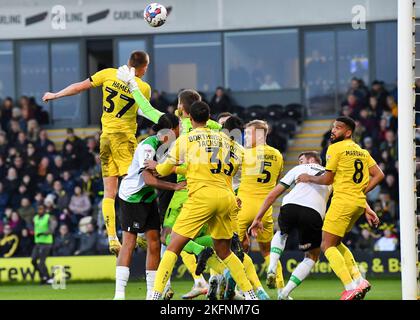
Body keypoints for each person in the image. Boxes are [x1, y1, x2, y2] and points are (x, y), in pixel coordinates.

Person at [42, 51, 152, 256]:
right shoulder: (144, 88)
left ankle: (112, 237)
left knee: (109, 192)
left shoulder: (108, 74)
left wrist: (55, 95)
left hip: (106, 139)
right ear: (143, 68)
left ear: (128, 63)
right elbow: (144, 110)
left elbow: (78, 87)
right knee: (135, 186)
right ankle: (140, 232)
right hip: (124, 140)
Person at [145, 101, 258, 300]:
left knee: (172, 246)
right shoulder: (228, 141)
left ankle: (155, 296)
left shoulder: (186, 139)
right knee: (225, 251)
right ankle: (250, 295)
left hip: (201, 198)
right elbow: (240, 163)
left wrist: (159, 165)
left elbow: (162, 170)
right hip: (226, 198)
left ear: (189, 118)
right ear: (209, 118)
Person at [296, 116, 385, 300]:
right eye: (333, 127)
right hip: (357, 203)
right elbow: (379, 175)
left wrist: (309, 177)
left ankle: (350, 286)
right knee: (335, 242)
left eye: (338, 127)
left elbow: (327, 179)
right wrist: (361, 193)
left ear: (348, 132)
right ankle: (359, 280)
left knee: (326, 245)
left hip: (342, 202)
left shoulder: (335, 148)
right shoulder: (361, 152)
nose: (333, 130)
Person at [114, 113, 186, 300]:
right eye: (178, 126)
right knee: (129, 243)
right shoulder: (148, 146)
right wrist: (174, 186)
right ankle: (119, 294)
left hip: (147, 198)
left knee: (154, 242)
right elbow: (148, 179)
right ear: (169, 130)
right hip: (132, 197)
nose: (181, 128)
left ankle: (150, 294)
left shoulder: (170, 146)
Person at [249, 151, 332, 299]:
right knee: (312, 256)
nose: (300, 163)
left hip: (290, 205)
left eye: (301, 160)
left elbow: (273, 194)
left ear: (311, 160)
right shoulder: (331, 175)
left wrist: (258, 218)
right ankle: (285, 293)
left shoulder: (299, 169)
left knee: (282, 233)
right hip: (313, 213)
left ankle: (272, 266)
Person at [236, 120, 285, 290]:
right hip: (265, 209)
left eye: (249, 134)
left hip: (243, 206)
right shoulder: (278, 155)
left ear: (259, 135)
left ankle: (244, 288)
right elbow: (277, 180)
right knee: (268, 251)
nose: (246, 137)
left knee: (235, 251)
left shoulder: (244, 154)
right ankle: (281, 289)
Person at [31, 204, 56, 284]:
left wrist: (43, 233)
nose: (40, 211)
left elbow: (52, 229)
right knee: (33, 260)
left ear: (45, 210)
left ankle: (48, 278)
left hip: (46, 243)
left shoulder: (49, 217)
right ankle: (43, 276)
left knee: (42, 262)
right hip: (38, 242)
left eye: (41, 209)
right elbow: (33, 226)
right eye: (39, 209)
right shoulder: (35, 218)